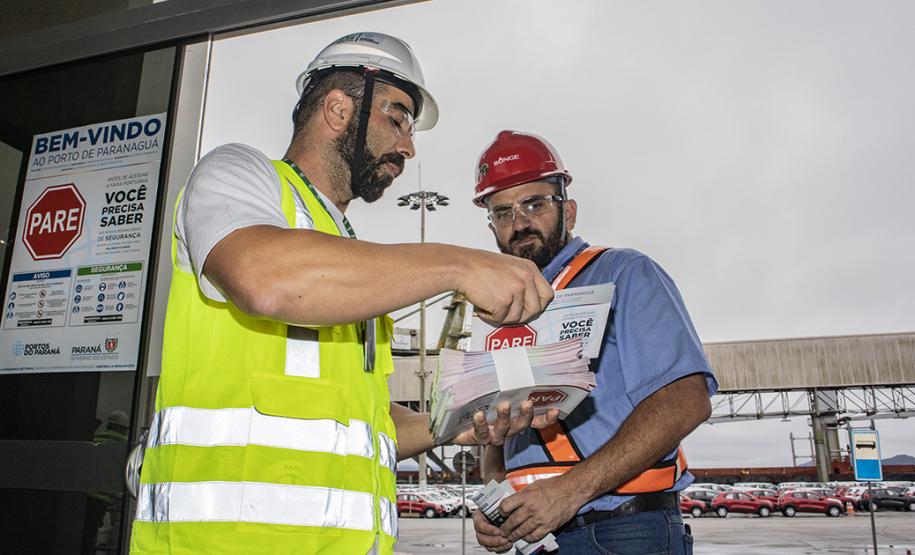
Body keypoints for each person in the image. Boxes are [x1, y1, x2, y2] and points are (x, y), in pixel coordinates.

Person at [129, 35, 557, 555]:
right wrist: (460, 264)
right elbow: (262, 278)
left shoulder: (348, 259)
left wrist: (457, 424)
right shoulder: (238, 174)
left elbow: (368, 425)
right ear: (337, 109)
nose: (408, 146)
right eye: (398, 118)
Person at [470, 130, 719, 555]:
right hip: (538, 539)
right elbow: (502, 435)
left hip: (626, 531)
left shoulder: (625, 274)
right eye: (502, 212)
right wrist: (496, 501)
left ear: (568, 210)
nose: (519, 223)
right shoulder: (505, 314)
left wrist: (569, 491)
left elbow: (686, 400)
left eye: (535, 204)